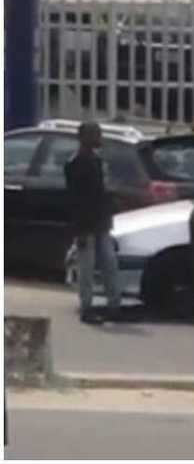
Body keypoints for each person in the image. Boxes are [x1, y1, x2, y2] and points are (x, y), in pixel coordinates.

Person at [64, 122, 121, 324]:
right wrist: (79, 229)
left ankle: (114, 305)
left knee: (109, 263)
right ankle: (86, 307)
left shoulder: (98, 161)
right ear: (83, 138)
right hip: (85, 224)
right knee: (86, 268)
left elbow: (102, 193)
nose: (99, 138)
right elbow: (75, 200)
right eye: (95, 134)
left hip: (101, 222)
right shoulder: (75, 164)